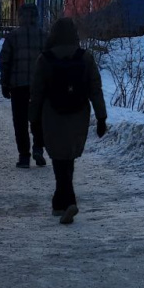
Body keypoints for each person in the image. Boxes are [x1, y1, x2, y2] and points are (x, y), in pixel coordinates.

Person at [29, 17, 107, 225]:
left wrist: (33, 119)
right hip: (78, 113)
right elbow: (95, 89)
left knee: (58, 157)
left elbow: (36, 93)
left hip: (52, 114)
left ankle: (65, 200)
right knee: (68, 157)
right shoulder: (85, 57)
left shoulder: (45, 58)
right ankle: (61, 201)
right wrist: (101, 117)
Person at [0, 3, 46, 168]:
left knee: (20, 122)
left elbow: (5, 61)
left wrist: (5, 83)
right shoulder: (44, 36)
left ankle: (24, 156)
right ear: (36, 17)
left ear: (20, 17)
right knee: (39, 119)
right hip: (40, 87)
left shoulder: (12, 37)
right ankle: (38, 148)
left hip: (18, 86)